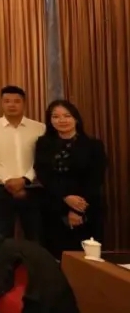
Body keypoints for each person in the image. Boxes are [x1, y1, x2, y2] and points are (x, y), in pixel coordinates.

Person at [35, 100, 107, 255]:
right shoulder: (43, 143)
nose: (61, 120)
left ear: (76, 118)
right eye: (55, 116)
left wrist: (78, 210)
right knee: (55, 255)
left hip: (86, 207)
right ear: (50, 120)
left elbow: (95, 179)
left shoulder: (93, 145)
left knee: (86, 256)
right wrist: (65, 197)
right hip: (53, 205)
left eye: (67, 116)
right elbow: (43, 174)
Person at [0, 85, 45, 244]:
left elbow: (41, 159)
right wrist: (8, 180)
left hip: (31, 189)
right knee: (2, 237)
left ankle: (34, 262)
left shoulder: (39, 127)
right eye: (7, 101)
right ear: (1, 103)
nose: (12, 105)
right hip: (0, 189)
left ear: (24, 103)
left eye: (16, 101)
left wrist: (25, 180)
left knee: (35, 236)